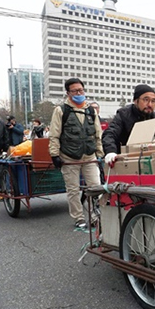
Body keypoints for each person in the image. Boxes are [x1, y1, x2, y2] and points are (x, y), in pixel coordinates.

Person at [49, 78, 104, 230]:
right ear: (68, 93)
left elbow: (97, 134)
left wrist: (100, 153)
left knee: (96, 187)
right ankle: (78, 218)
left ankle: (95, 216)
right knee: (73, 190)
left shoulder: (91, 110)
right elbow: (54, 134)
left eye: (81, 90)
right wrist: (54, 155)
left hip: (89, 156)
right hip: (69, 157)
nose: (79, 93)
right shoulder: (61, 110)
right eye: (75, 91)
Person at [102, 84, 155, 164]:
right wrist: (111, 152)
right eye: (145, 100)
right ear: (135, 101)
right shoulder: (123, 114)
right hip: (125, 160)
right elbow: (110, 134)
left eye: (153, 101)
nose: (150, 104)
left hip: (148, 159)